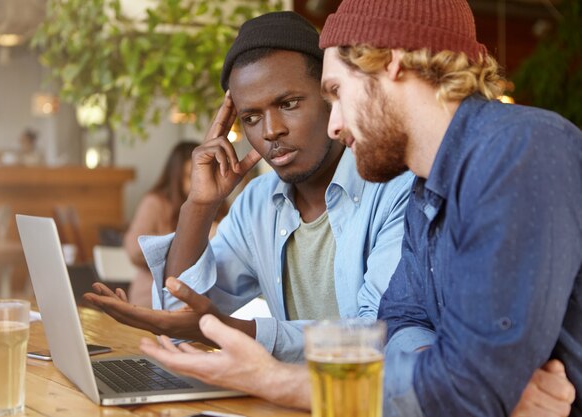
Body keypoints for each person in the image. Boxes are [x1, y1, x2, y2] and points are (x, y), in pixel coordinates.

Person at [138, 2, 581, 416]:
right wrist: (441, 373)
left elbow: (472, 386)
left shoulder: (521, 150)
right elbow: (401, 324)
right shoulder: (430, 188)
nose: (334, 123)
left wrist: (273, 379)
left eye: (336, 92)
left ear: (391, 62)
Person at [85, 11, 413, 361]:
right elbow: (176, 312)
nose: (271, 131)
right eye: (251, 118)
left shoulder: (395, 187)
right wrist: (200, 203)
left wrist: (222, 328)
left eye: (288, 104)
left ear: (330, 96)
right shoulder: (258, 202)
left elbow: (379, 334)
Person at [123, 141, 228, 307]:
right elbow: (134, 249)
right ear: (175, 177)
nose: (199, 182)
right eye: (190, 177)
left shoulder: (218, 206)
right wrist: (194, 236)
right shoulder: (156, 203)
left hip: (206, 302)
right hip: (155, 300)